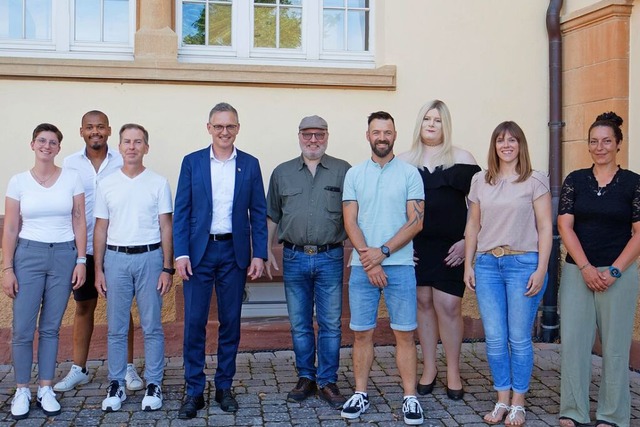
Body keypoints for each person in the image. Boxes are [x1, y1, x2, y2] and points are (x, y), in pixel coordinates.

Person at [173, 102, 268, 418]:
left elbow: (257, 212)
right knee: (194, 323)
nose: (224, 132)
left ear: (237, 128)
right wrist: (181, 253)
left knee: (230, 323)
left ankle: (224, 386)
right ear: (209, 128)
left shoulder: (250, 165)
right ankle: (194, 390)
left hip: (233, 253)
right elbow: (182, 211)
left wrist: (259, 253)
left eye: (230, 126)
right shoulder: (193, 163)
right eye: (218, 126)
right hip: (199, 254)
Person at [463, 121, 552, 426]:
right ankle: (502, 398)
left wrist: (541, 269)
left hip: (523, 264)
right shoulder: (480, 181)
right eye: (500, 140)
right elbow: (473, 226)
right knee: (496, 339)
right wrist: (468, 265)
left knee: (518, 337)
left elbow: (545, 228)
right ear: (495, 146)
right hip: (488, 265)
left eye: (512, 140)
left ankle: (519, 402)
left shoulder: (534, 180)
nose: (506, 145)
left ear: (520, 145)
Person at [341, 111, 425, 425]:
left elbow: (416, 222)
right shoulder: (354, 174)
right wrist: (369, 258)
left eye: (387, 132)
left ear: (394, 135)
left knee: (404, 334)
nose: (382, 137)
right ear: (368, 135)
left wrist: (383, 252)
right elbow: (350, 221)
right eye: (376, 132)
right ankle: (360, 393)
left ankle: (410, 397)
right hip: (363, 268)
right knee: (361, 334)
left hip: (400, 266)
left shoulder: (409, 174)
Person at [557, 112, 640, 427]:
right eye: (594, 141)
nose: (600, 147)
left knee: (616, 347)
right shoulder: (575, 180)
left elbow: (639, 233)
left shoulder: (634, 183)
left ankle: (612, 414)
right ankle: (572, 410)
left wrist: (615, 271)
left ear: (618, 144)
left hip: (619, 275)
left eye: (607, 141)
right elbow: (565, 226)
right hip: (579, 272)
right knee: (575, 344)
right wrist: (586, 268)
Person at [2, 123, 87, 420]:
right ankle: (22, 388)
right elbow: (11, 226)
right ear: (32, 144)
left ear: (59, 148)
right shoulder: (18, 181)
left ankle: (46, 387)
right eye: (42, 141)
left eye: (52, 142)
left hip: (64, 255)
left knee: (51, 327)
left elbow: (79, 221)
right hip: (28, 255)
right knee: (23, 329)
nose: (47, 146)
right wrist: (8, 268)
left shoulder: (72, 179)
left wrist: (81, 260)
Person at [265, 115, 351, 409]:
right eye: (307, 134)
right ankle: (306, 377)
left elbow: (356, 215)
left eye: (319, 134)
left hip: (330, 256)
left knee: (330, 324)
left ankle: (327, 380)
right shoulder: (282, 173)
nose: (313, 140)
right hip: (294, 257)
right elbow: (272, 215)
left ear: (327, 136)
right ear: (299, 136)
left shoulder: (343, 171)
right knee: (300, 323)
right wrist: (264, 252)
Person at [55, 110, 143, 393]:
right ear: (81, 131)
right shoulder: (69, 164)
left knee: (121, 309)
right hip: (83, 249)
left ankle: (128, 368)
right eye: (90, 127)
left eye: (101, 127)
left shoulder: (121, 160)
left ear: (108, 130)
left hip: (116, 246)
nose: (96, 131)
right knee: (83, 306)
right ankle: (79, 368)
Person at [399, 100, 480, 399]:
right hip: (417, 247)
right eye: (427, 119)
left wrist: (466, 242)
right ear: (419, 124)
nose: (431, 125)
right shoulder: (405, 161)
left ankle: (453, 371)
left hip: (453, 247)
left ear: (446, 125)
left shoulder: (463, 158)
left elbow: (477, 207)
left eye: (437, 120)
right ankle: (429, 368)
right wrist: (402, 245)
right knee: (422, 303)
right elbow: (395, 208)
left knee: (448, 306)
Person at [93, 123, 174, 412]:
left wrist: (167, 267)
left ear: (146, 148)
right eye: (127, 141)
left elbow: (166, 226)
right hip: (115, 259)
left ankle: (154, 383)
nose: (132, 147)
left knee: (152, 326)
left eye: (138, 142)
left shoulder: (158, 182)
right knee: (116, 327)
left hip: (150, 258)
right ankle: (116, 383)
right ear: (119, 146)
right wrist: (99, 269)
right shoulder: (107, 184)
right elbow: (101, 228)